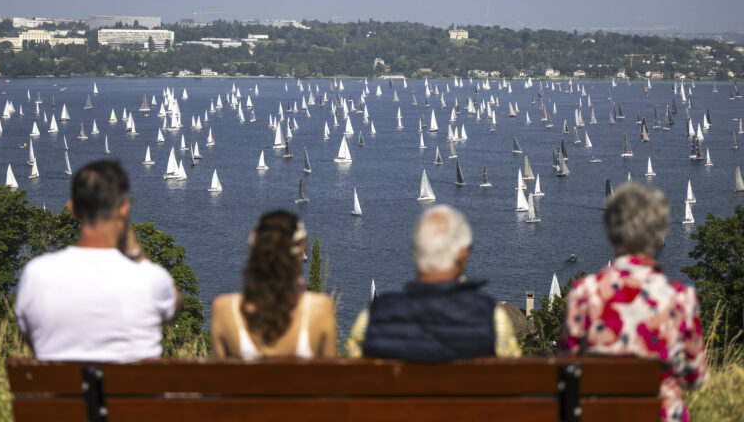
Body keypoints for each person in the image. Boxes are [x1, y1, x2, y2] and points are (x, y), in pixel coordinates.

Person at [560, 183, 707, 422]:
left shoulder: (584, 293)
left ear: (611, 232)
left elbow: (567, 368)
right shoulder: (680, 298)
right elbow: (695, 377)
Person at [15, 160, 182, 362]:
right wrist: (136, 251)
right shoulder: (150, 277)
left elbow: (29, 337)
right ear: (124, 209)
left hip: (64, 392)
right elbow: (175, 307)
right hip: (131, 392)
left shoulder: (36, 274)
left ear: (71, 208)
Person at [347, 205, 521, 361]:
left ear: (415, 253)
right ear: (462, 255)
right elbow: (517, 379)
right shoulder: (492, 319)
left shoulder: (372, 319)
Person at [211, 211, 336, 358]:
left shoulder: (224, 309)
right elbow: (330, 376)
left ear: (254, 249)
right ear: (301, 249)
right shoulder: (320, 308)